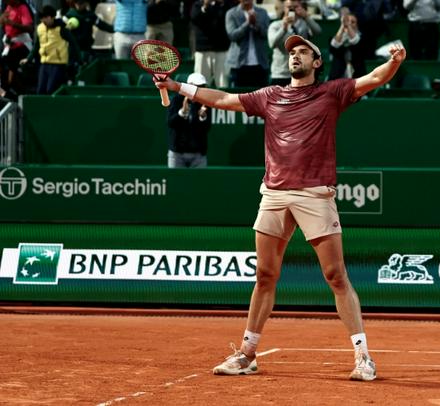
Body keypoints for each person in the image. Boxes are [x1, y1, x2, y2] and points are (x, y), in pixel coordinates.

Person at [154, 34, 406, 381]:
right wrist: (177, 86)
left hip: (315, 194)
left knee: (335, 276)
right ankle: (247, 354)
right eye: (291, 52)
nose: (295, 56)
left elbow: (374, 78)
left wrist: (394, 61)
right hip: (274, 193)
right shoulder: (270, 96)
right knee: (265, 275)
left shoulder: (332, 93)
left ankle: (363, 357)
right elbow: (224, 98)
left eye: (303, 51)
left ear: (317, 62)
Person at [20, 5, 81, 94]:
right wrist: (28, 58)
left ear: (52, 17)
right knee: (40, 90)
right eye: (42, 18)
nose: (43, 20)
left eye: (46, 17)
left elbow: (74, 44)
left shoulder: (62, 29)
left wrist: (79, 61)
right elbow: (37, 45)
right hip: (44, 63)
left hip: (58, 64)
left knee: (51, 89)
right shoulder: (40, 28)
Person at [268, 0, 321, 86]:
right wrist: (283, 29)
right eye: (289, 7)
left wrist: (306, 17)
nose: (292, 10)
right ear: (284, 8)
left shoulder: (304, 24)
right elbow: (272, 44)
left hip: (301, 73)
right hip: (281, 73)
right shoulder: (276, 25)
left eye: (296, 7)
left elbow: (318, 32)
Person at [166, 72, 211, 168]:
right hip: (177, 154)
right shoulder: (176, 99)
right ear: (188, 86)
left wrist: (202, 117)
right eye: (197, 87)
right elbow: (171, 123)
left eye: (202, 87)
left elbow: (207, 128)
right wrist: (182, 112)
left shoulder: (206, 102)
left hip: (198, 154)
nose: (199, 90)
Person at [225, 0, 271, 87]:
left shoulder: (262, 12)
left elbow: (267, 34)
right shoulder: (231, 13)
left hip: (260, 64)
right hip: (238, 65)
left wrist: (256, 24)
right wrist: (247, 24)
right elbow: (232, 35)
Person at [190, 0, 232, 88]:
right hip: (203, 50)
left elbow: (226, 19)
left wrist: (222, 4)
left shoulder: (226, 5)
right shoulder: (198, 5)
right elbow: (195, 18)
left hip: (221, 49)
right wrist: (205, 5)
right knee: (200, 83)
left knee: (223, 83)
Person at [0, 0, 33, 97]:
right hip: (9, 45)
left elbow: (29, 28)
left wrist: (12, 23)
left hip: (21, 46)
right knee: (5, 70)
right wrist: (2, 20)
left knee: (12, 74)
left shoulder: (23, 8)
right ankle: (7, 93)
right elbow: (3, 23)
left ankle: (17, 95)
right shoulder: (8, 7)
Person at [328, 9, 365, 79]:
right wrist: (342, 26)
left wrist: (348, 26)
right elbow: (334, 46)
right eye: (347, 22)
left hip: (358, 78)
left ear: (357, 25)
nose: (349, 24)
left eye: (353, 22)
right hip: (337, 78)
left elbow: (357, 43)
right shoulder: (337, 38)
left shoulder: (363, 38)